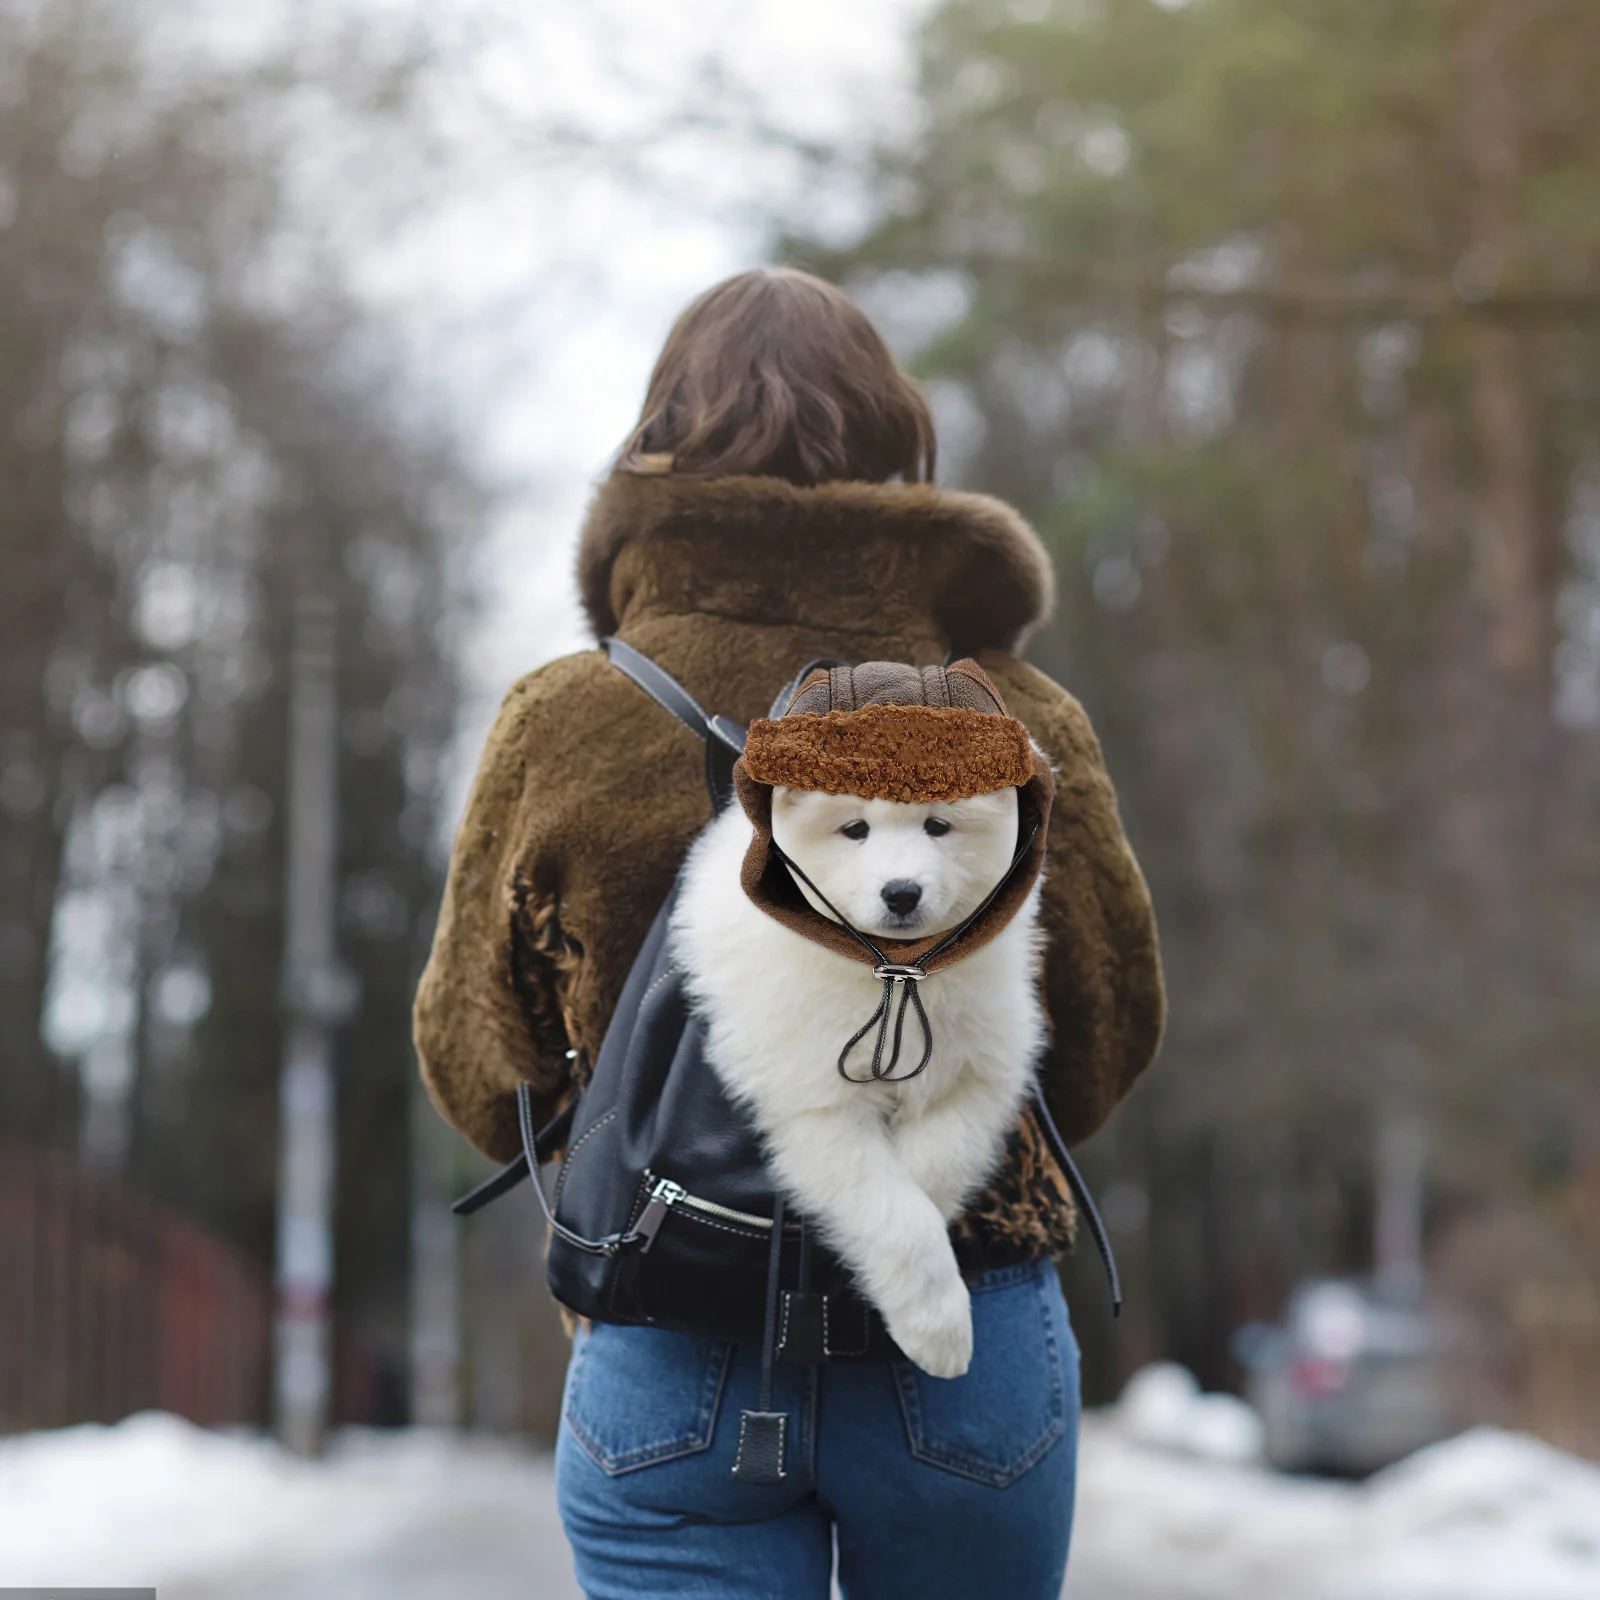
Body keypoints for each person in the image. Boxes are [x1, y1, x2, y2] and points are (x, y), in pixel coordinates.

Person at [413, 267, 1165, 1599]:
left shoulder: (565, 721)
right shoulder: (1018, 720)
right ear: (898, 447)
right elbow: (1099, 1047)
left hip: (672, 1336)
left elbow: (486, 1075)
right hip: (963, 1346)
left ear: (657, 450)